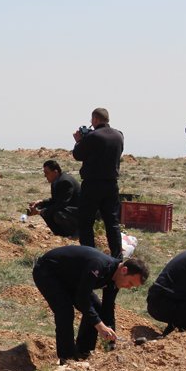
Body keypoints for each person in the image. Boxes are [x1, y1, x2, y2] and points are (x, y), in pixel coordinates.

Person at [33, 245, 149, 364]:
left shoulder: (115, 279)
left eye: (132, 286)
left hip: (71, 279)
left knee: (97, 308)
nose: (129, 287)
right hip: (48, 272)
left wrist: (111, 340)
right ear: (124, 270)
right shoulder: (99, 265)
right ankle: (67, 358)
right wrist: (99, 325)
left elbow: (107, 308)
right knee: (65, 311)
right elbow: (82, 299)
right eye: (130, 283)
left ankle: (83, 351)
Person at [72, 107, 124, 258]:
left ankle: (89, 256)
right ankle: (117, 257)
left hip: (92, 184)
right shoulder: (119, 135)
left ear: (95, 119)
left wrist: (79, 141)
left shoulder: (93, 137)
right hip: (111, 184)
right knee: (112, 222)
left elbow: (78, 154)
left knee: (86, 222)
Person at [27, 160, 80, 237]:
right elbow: (55, 200)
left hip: (77, 212)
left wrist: (39, 211)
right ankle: (60, 234)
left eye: (47, 173)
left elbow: (62, 204)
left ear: (55, 172)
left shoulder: (65, 181)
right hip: (67, 208)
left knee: (57, 213)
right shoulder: (56, 181)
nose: (45, 176)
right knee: (44, 209)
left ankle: (74, 233)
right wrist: (41, 202)